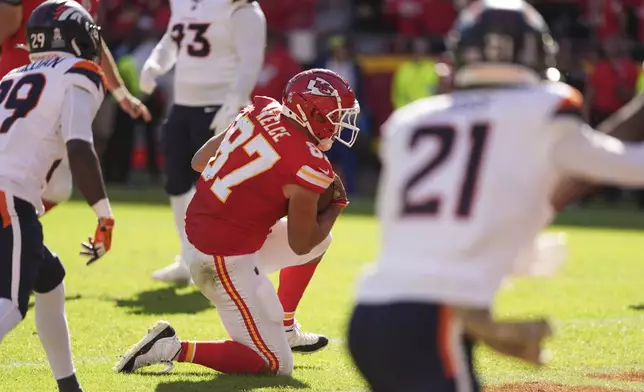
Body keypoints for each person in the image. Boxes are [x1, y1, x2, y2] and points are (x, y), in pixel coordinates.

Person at [348, 1, 644, 391]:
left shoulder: (411, 121)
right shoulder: (544, 107)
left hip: (371, 313)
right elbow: (623, 166)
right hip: (431, 321)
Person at [114, 69, 360, 375]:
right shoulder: (310, 164)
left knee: (322, 242)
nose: (339, 124)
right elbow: (300, 242)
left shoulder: (262, 110)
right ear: (312, 113)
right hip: (220, 259)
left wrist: (258, 191)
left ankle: (284, 326)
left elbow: (200, 160)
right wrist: (336, 205)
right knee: (275, 365)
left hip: (211, 235)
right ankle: (171, 346)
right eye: (335, 115)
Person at [0, 1, 115, 391]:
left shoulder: (12, 75)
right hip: (7, 196)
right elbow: (79, 146)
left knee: (49, 280)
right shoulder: (80, 73)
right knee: (11, 305)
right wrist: (104, 214)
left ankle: (69, 386)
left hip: (12, 193)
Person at [139, 0, 267, 284]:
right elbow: (172, 39)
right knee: (177, 184)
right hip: (183, 106)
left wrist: (233, 104)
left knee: (221, 189)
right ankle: (189, 257)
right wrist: (154, 64)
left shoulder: (240, 7)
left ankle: (227, 261)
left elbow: (251, 60)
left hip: (220, 106)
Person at [0, 0, 151, 213]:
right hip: (19, 85)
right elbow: (8, 21)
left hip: (42, 92)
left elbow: (92, 40)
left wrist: (120, 92)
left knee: (55, 185)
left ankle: (19, 232)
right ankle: (18, 232)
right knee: (19, 174)